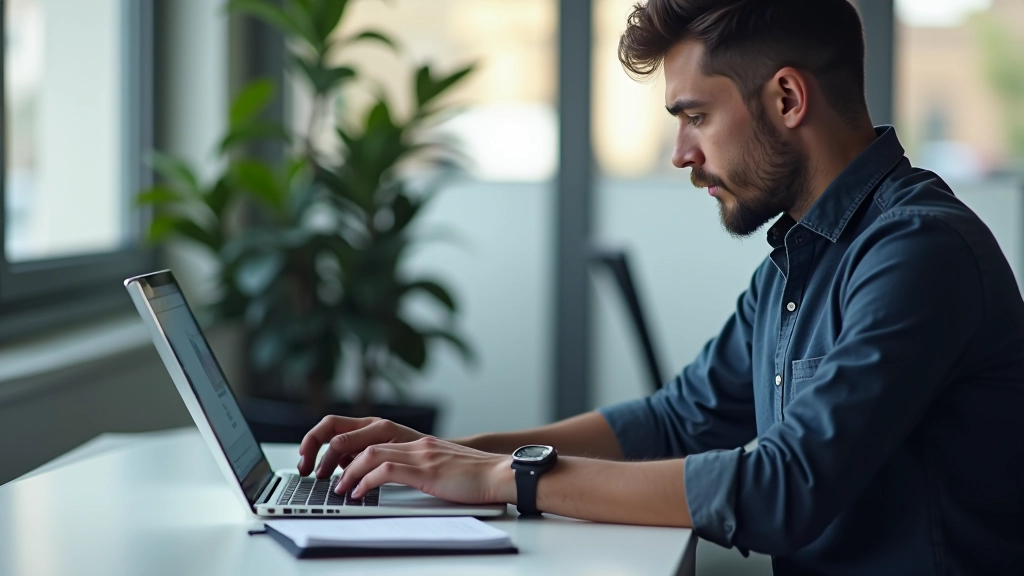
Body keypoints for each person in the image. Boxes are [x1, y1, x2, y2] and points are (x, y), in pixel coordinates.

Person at [297, 0, 1024, 573]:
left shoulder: (919, 252)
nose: (680, 154)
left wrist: (505, 479)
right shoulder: (797, 262)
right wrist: (448, 454)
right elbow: (676, 421)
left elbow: (784, 488)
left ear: (786, 98)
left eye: (696, 116)